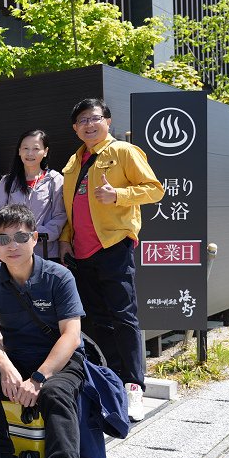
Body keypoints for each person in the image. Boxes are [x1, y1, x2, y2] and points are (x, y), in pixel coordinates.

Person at [0, 204, 86, 458]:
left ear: (34, 238)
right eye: (3, 239)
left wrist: (39, 378)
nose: (12, 245)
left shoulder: (59, 277)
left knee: (54, 392)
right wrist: (5, 366)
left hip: (60, 362)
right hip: (17, 358)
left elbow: (70, 336)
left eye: (20, 237)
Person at [58, 98, 165, 422]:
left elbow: (155, 189)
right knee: (96, 318)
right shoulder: (74, 162)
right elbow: (71, 210)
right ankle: (113, 378)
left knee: (124, 316)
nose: (89, 125)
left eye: (94, 118)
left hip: (114, 245)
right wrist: (65, 240)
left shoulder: (123, 152)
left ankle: (134, 386)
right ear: (75, 128)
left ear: (107, 120)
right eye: (82, 121)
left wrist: (118, 195)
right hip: (81, 251)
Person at [0, 129, 67, 260]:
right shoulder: (7, 181)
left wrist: (34, 235)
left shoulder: (55, 179)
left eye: (36, 148)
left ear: (45, 152)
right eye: (25, 148)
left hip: (45, 252)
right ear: (19, 151)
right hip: (12, 251)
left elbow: (60, 215)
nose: (30, 153)